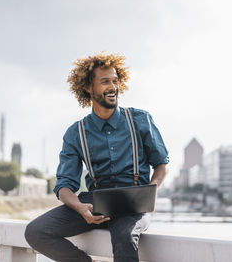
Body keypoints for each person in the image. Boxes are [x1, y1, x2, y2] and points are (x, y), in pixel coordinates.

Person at [24, 52, 169, 262]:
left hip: (133, 203)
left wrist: (149, 192)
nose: (112, 87)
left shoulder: (140, 120)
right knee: (36, 232)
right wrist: (79, 207)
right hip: (94, 201)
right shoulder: (77, 133)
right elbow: (64, 186)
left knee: (125, 236)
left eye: (115, 81)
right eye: (105, 82)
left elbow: (161, 165)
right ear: (88, 88)